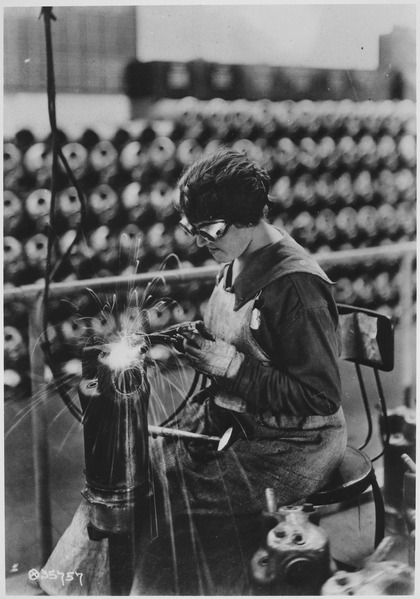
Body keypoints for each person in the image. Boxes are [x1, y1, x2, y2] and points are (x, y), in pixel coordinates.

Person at [39, 148, 347, 596]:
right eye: (193, 230)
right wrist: (195, 339)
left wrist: (228, 365)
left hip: (289, 448)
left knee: (151, 495)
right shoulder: (235, 257)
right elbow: (250, 342)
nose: (201, 242)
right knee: (121, 472)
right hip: (235, 424)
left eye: (211, 231)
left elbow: (320, 397)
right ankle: (70, 589)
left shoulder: (295, 287)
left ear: (249, 217)